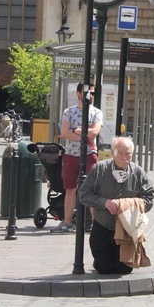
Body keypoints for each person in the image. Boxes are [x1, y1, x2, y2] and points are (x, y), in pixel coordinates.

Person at [79, 137, 154, 274]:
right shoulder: (99, 169)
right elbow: (84, 195)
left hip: (126, 230)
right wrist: (105, 203)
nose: (124, 157)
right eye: (120, 153)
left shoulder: (137, 172)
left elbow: (150, 197)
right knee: (104, 268)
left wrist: (130, 205)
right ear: (112, 152)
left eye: (128, 154)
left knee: (124, 270)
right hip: (103, 227)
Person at [53, 82, 103, 233]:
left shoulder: (96, 112)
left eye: (93, 93)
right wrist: (81, 133)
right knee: (70, 189)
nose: (90, 96)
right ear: (79, 94)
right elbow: (65, 133)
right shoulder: (69, 112)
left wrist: (75, 130)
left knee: (93, 189)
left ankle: (96, 224)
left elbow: (94, 132)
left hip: (89, 154)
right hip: (71, 154)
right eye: (88, 93)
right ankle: (67, 223)